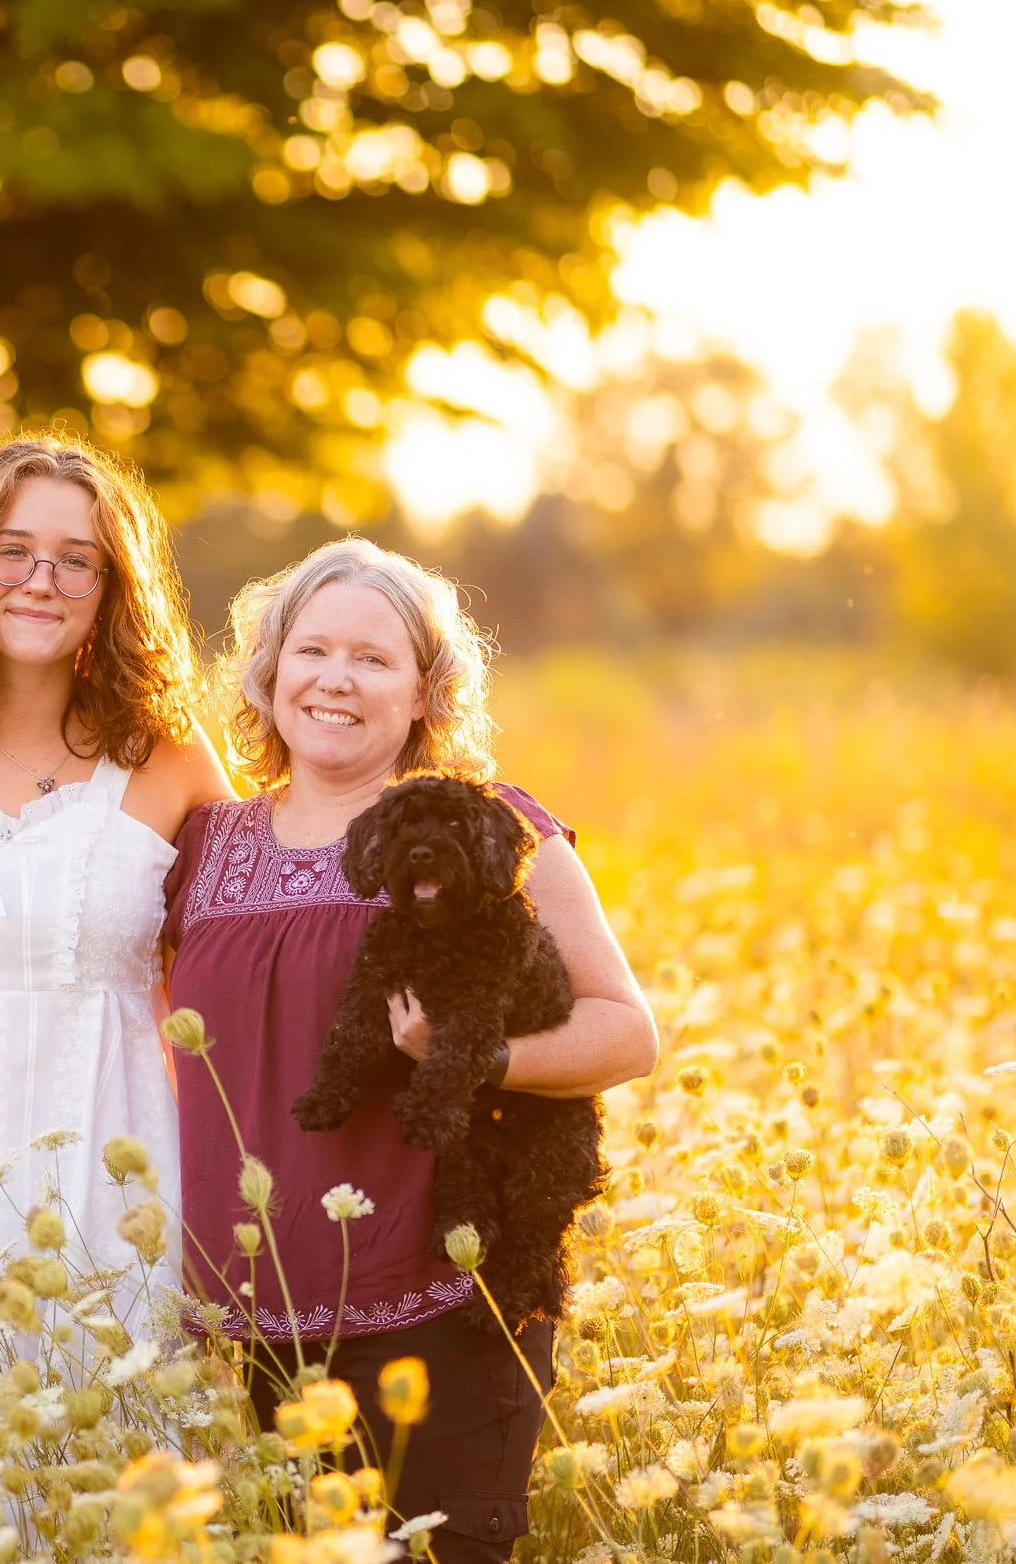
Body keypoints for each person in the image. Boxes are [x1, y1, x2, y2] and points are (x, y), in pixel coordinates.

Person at [162, 537, 656, 1559]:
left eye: (373, 658)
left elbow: (625, 1030)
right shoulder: (204, 842)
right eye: (310, 650)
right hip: (245, 1322)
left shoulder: (491, 831)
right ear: (268, 669)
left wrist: (457, 1054)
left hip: (438, 1302)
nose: (334, 679)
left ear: (428, 690)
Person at [0, 435, 234, 1329]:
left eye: (76, 561)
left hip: (114, 1175)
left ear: (113, 589)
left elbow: (254, 928)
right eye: (12, 551)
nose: (40, 580)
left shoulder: (167, 751)